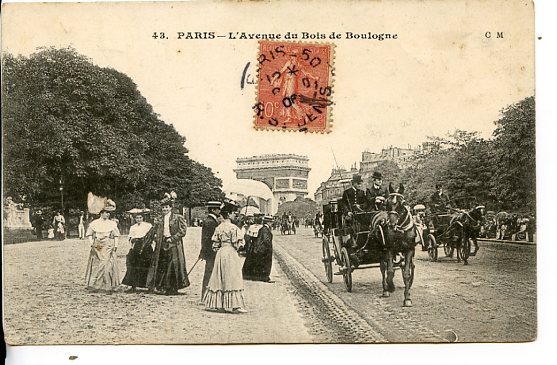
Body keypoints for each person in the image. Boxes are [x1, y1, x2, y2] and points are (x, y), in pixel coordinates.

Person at [203, 201, 247, 313]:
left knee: (219, 277)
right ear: (229, 214)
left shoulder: (219, 227)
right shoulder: (233, 228)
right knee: (232, 277)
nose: (235, 215)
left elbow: (215, 244)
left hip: (220, 253)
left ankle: (218, 304)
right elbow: (238, 245)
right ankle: (234, 305)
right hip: (230, 253)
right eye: (233, 213)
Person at [147, 192, 190, 295]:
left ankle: (173, 287)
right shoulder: (160, 219)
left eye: (167, 207)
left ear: (171, 208)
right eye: (163, 208)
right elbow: (154, 230)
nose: (165, 209)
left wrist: (173, 238)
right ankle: (162, 286)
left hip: (174, 244)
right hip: (162, 243)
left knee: (173, 265)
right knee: (162, 264)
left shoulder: (177, 217)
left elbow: (182, 231)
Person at [85, 199, 120, 293]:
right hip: (98, 245)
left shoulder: (112, 223)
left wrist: (115, 245)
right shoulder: (95, 223)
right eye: (106, 213)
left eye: (109, 213)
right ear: (101, 213)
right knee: (98, 263)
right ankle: (94, 284)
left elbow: (116, 235)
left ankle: (106, 285)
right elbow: (89, 234)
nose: (108, 215)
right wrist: (92, 243)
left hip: (108, 244)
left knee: (106, 264)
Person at [122, 208, 154, 292]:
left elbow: (151, 237)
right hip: (136, 246)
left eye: (140, 217)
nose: (138, 219)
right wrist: (133, 240)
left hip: (146, 246)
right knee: (133, 265)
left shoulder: (148, 225)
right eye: (137, 218)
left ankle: (149, 285)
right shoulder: (133, 227)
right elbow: (130, 237)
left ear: (143, 218)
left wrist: (147, 242)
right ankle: (133, 285)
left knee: (147, 264)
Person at [199, 201, 222, 299]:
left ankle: (206, 295)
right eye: (218, 209)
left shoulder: (211, 221)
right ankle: (205, 295)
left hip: (209, 251)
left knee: (209, 273)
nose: (220, 211)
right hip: (211, 252)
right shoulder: (211, 222)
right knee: (209, 273)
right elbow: (207, 239)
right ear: (213, 210)